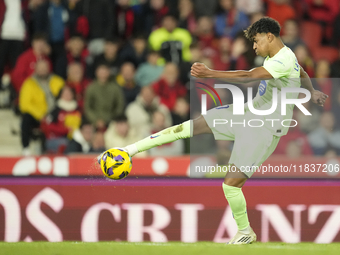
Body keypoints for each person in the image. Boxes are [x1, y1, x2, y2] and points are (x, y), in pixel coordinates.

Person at [98, 17, 328, 244]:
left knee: (230, 186)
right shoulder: (284, 56)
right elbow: (304, 74)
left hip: (264, 129)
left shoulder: (283, 60)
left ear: (270, 36)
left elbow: (249, 77)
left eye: (256, 41)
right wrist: (313, 91)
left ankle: (245, 231)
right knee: (190, 126)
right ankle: (129, 150)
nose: (254, 46)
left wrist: (209, 73)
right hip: (248, 113)